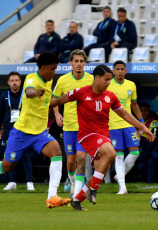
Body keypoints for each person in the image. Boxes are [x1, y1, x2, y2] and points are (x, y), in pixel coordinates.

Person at [50, 64, 154, 211]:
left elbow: (125, 114)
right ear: (96, 78)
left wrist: (143, 127)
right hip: (87, 135)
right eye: (106, 79)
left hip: (104, 136)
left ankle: (78, 199)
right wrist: (43, 105)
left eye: (110, 80)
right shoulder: (81, 92)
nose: (108, 83)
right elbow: (58, 101)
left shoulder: (110, 96)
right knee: (112, 153)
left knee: (103, 168)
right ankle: (94, 190)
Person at [0, 52, 70, 209]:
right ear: (44, 68)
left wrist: (69, 97)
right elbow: (29, 91)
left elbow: (50, 102)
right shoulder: (32, 78)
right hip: (22, 133)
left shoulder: (47, 82)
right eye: (52, 69)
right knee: (7, 166)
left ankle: (52, 196)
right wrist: (35, 93)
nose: (54, 72)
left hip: (39, 133)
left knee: (56, 152)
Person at [52, 49, 93, 198]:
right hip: (69, 127)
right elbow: (54, 99)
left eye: (81, 61)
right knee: (70, 162)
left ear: (85, 63)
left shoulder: (91, 80)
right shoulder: (63, 80)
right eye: (76, 61)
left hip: (85, 127)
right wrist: (57, 114)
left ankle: (77, 192)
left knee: (81, 159)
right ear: (70, 63)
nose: (79, 64)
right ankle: (73, 182)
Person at [108, 60, 144, 194]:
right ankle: (122, 187)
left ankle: (119, 175)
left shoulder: (131, 85)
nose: (120, 71)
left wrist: (140, 122)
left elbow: (134, 104)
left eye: (122, 69)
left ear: (126, 71)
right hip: (113, 125)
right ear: (113, 71)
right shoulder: (108, 85)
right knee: (119, 156)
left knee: (135, 152)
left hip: (128, 123)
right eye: (117, 69)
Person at [0, 71, 34, 191]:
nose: (14, 83)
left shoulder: (26, 95)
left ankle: (29, 183)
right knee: (11, 157)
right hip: (9, 132)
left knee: (25, 157)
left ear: (20, 82)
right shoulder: (4, 96)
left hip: (25, 131)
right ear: (8, 82)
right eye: (12, 81)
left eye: (16, 80)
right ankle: (12, 182)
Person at [137, 102, 158, 182]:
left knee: (147, 162)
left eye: (146, 110)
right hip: (140, 150)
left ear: (149, 111)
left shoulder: (154, 122)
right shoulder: (135, 123)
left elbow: (153, 140)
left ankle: (150, 181)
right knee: (140, 165)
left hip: (152, 150)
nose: (143, 112)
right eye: (141, 110)